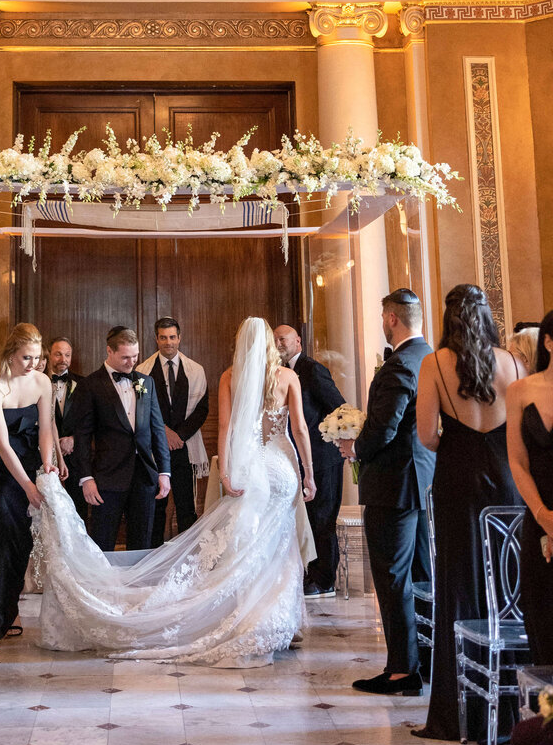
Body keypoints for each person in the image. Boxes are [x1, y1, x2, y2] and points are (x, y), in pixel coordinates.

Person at [32, 316, 316, 667]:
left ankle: (256, 617)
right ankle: (278, 619)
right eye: (127, 356)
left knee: (249, 544)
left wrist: (221, 473)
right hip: (280, 468)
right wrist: (308, 474)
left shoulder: (227, 377)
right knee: (276, 547)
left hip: (238, 471)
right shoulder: (288, 378)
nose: (132, 362)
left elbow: (222, 428)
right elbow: (300, 429)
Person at [412, 283, 523, 741]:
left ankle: (456, 716)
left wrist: (458, 447)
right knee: (508, 589)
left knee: (457, 588)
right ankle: (513, 713)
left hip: (457, 480)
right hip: (506, 478)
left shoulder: (434, 363)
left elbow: (425, 436)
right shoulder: (513, 361)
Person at [338, 288, 436, 696]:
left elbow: (386, 427)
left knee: (393, 578)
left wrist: (354, 447)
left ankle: (401, 671)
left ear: (392, 318)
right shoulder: (429, 357)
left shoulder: (399, 365)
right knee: (419, 575)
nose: (382, 323)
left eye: (383, 317)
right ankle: (427, 662)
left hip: (393, 485)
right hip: (419, 480)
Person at [0, 322, 57, 658]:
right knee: (0, 539)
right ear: (10, 354)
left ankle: (9, 611)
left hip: (27, 464)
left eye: (37, 357)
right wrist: (28, 487)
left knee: (21, 541)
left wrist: (47, 466)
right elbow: (2, 446)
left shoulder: (42, 382)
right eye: (26, 357)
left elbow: (46, 427)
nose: (33, 364)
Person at [71, 326, 170, 551]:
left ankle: (136, 587)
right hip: (107, 477)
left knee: (142, 543)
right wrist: (86, 478)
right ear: (109, 351)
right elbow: (83, 436)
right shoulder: (90, 386)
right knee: (102, 543)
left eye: (135, 356)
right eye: (125, 357)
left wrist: (164, 471)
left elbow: (157, 429)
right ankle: (103, 587)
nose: (131, 362)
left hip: (144, 476)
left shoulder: (147, 382)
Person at [275, 322, 345, 597]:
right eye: (276, 340)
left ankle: (324, 580)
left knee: (323, 518)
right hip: (299, 458)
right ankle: (309, 573)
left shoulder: (312, 369)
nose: (279, 344)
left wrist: (338, 445)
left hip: (323, 457)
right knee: (308, 519)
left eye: (284, 339)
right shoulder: (279, 374)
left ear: (298, 342)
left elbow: (339, 408)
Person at [137, 316, 209, 546]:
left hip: (184, 448)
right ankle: (154, 554)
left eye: (172, 337)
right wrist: (165, 433)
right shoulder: (142, 371)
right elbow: (139, 409)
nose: (168, 342)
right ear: (156, 339)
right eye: (163, 337)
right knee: (155, 505)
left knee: (186, 506)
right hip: (154, 448)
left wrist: (180, 436)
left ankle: (186, 555)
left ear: (179, 338)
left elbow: (202, 409)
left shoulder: (196, 370)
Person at [507, 309, 553, 666]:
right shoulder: (520, 391)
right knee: (542, 620)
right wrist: (544, 517)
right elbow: (518, 462)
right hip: (538, 513)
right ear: (549, 343)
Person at [46, 335, 86, 522]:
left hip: (76, 458)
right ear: (48, 355)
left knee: (77, 512)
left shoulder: (84, 384)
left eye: (67, 355)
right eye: (58, 354)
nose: (63, 360)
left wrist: (74, 439)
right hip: (45, 457)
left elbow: (90, 420)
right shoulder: (38, 382)